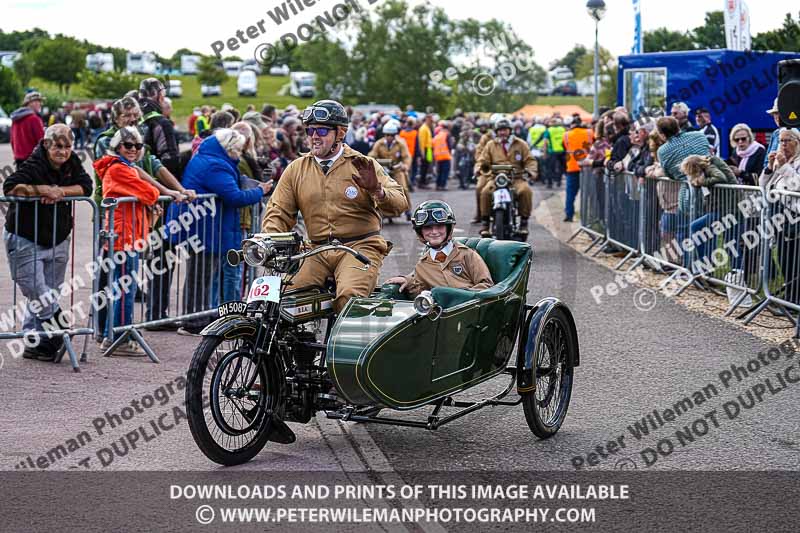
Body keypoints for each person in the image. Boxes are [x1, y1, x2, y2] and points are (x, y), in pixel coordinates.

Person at [261, 99, 409, 313]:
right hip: (316, 249)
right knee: (285, 297)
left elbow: (400, 203)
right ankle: (297, 344)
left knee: (349, 298)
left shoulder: (363, 164)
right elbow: (278, 212)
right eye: (309, 130)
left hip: (359, 247)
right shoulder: (296, 169)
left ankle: (345, 345)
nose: (313, 136)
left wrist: (377, 190)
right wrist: (269, 242)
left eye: (321, 130)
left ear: (340, 133)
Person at [3, 124, 93, 361]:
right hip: (25, 238)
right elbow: (10, 187)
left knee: (49, 292)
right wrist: (42, 189)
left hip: (57, 238)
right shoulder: (33, 164)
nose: (63, 152)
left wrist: (59, 191)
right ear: (46, 144)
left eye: (67, 146)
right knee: (36, 290)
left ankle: (39, 344)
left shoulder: (72, 161)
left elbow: (87, 186)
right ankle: (59, 328)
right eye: (58, 146)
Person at [173, 129, 273, 335]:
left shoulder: (209, 158)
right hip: (205, 230)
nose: (239, 154)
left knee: (201, 276)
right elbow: (234, 197)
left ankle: (199, 317)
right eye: (238, 150)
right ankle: (195, 320)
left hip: (203, 228)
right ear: (229, 148)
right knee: (202, 276)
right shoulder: (215, 165)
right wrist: (260, 191)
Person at [93, 126, 161, 355]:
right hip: (123, 238)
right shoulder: (119, 169)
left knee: (120, 287)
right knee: (125, 288)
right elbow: (151, 193)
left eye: (137, 145)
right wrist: (149, 196)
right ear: (117, 145)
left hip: (128, 234)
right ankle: (120, 337)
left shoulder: (125, 168)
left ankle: (107, 333)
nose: (133, 149)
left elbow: (147, 195)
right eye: (128, 145)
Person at [385, 200, 493, 297]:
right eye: (428, 228)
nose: (434, 232)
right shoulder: (422, 265)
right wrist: (407, 281)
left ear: (449, 228)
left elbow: (487, 285)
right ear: (420, 232)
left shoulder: (467, 255)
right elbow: (418, 292)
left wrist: (462, 296)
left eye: (440, 226)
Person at [476, 118, 537, 237]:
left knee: (526, 191)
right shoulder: (490, 145)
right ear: (496, 132)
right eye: (499, 130)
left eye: (504, 130)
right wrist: (479, 168)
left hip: (516, 178)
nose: (502, 133)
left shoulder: (521, 144)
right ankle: (485, 223)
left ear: (510, 130)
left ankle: (524, 223)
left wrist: (531, 171)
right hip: (496, 178)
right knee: (485, 192)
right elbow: (483, 160)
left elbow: (530, 160)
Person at [759, 128, 800, 304]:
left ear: (797, 142)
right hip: (778, 215)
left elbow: (796, 185)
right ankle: (789, 295)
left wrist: (784, 167)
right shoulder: (780, 160)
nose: (783, 144)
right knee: (783, 257)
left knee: (794, 258)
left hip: (794, 215)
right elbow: (762, 184)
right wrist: (769, 168)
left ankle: (795, 298)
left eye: (787, 140)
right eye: (781, 141)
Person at [138, 78, 181, 177]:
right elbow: (170, 159)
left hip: (136, 180)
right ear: (160, 95)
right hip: (159, 184)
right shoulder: (161, 123)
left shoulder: (132, 119)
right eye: (163, 94)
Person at [368, 120, 412, 219]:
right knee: (378, 189)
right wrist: (371, 159)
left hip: (396, 169)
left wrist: (405, 165)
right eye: (387, 135)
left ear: (395, 135)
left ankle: (408, 210)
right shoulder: (379, 144)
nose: (389, 137)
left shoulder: (401, 143)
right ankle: (379, 210)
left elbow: (406, 156)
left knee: (403, 188)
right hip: (382, 170)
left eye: (391, 135)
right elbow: (372, 154)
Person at [562, 118, 593, 222]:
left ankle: (569, 214)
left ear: (572, 125)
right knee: (590, 193)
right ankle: (590, 216)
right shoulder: (589, 132)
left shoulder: (566, 135)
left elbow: (564, 147)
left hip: (572, 166)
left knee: (570, 193)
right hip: (588, 167)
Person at [10, 91, 45, 168]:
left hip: (19, 159)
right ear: (30, 103)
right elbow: (41, 140)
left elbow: (12, 141)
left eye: (39, 102)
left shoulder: (15, 118)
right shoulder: (34, 118)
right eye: (37, 101)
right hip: (33, 159)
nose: (39, 104)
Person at [542, 116, 566, 188]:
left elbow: (545, 142)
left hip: (552, 151)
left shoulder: (548, 130)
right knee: (561, 167)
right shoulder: (562, 129)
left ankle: (550, 183)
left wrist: (544, 152)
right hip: (562, 151)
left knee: (550, 168)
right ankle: (558, 181)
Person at [398, 118, 419, 191]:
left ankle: (406, 184)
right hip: (412, 154)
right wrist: (418, 155)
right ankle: (411, 183)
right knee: (413, 170)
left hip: (403, 154)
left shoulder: (402, 133)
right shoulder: (415, 133)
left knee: (405, 170)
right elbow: (417, 145)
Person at [432, 121, 452, 191]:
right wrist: (450, 152)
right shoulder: (447, 134)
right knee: (445, 171)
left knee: (439, 172)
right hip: (445, 156)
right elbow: (449, 145)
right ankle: (443, 185)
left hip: (438, 156)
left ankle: (438, 185)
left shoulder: (437, 135)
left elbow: (433, 144)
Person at [764, 98, 782, 169]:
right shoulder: (775, 133)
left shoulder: (796, 133)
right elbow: (765, 163)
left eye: (780, 113)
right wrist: (770, 164)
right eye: (775, 113)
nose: (777, 117)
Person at [418, 114, 434, 188]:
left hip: (428, 149)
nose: (432, 122)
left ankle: (423, 182)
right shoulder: (423, 128)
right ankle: (422, 182)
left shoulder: (427, 127)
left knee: (426, 166)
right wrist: (422, 152)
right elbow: (421, 141)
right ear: (427, 119)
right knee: (424, 167)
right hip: (425, 149)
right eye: (431, 120)